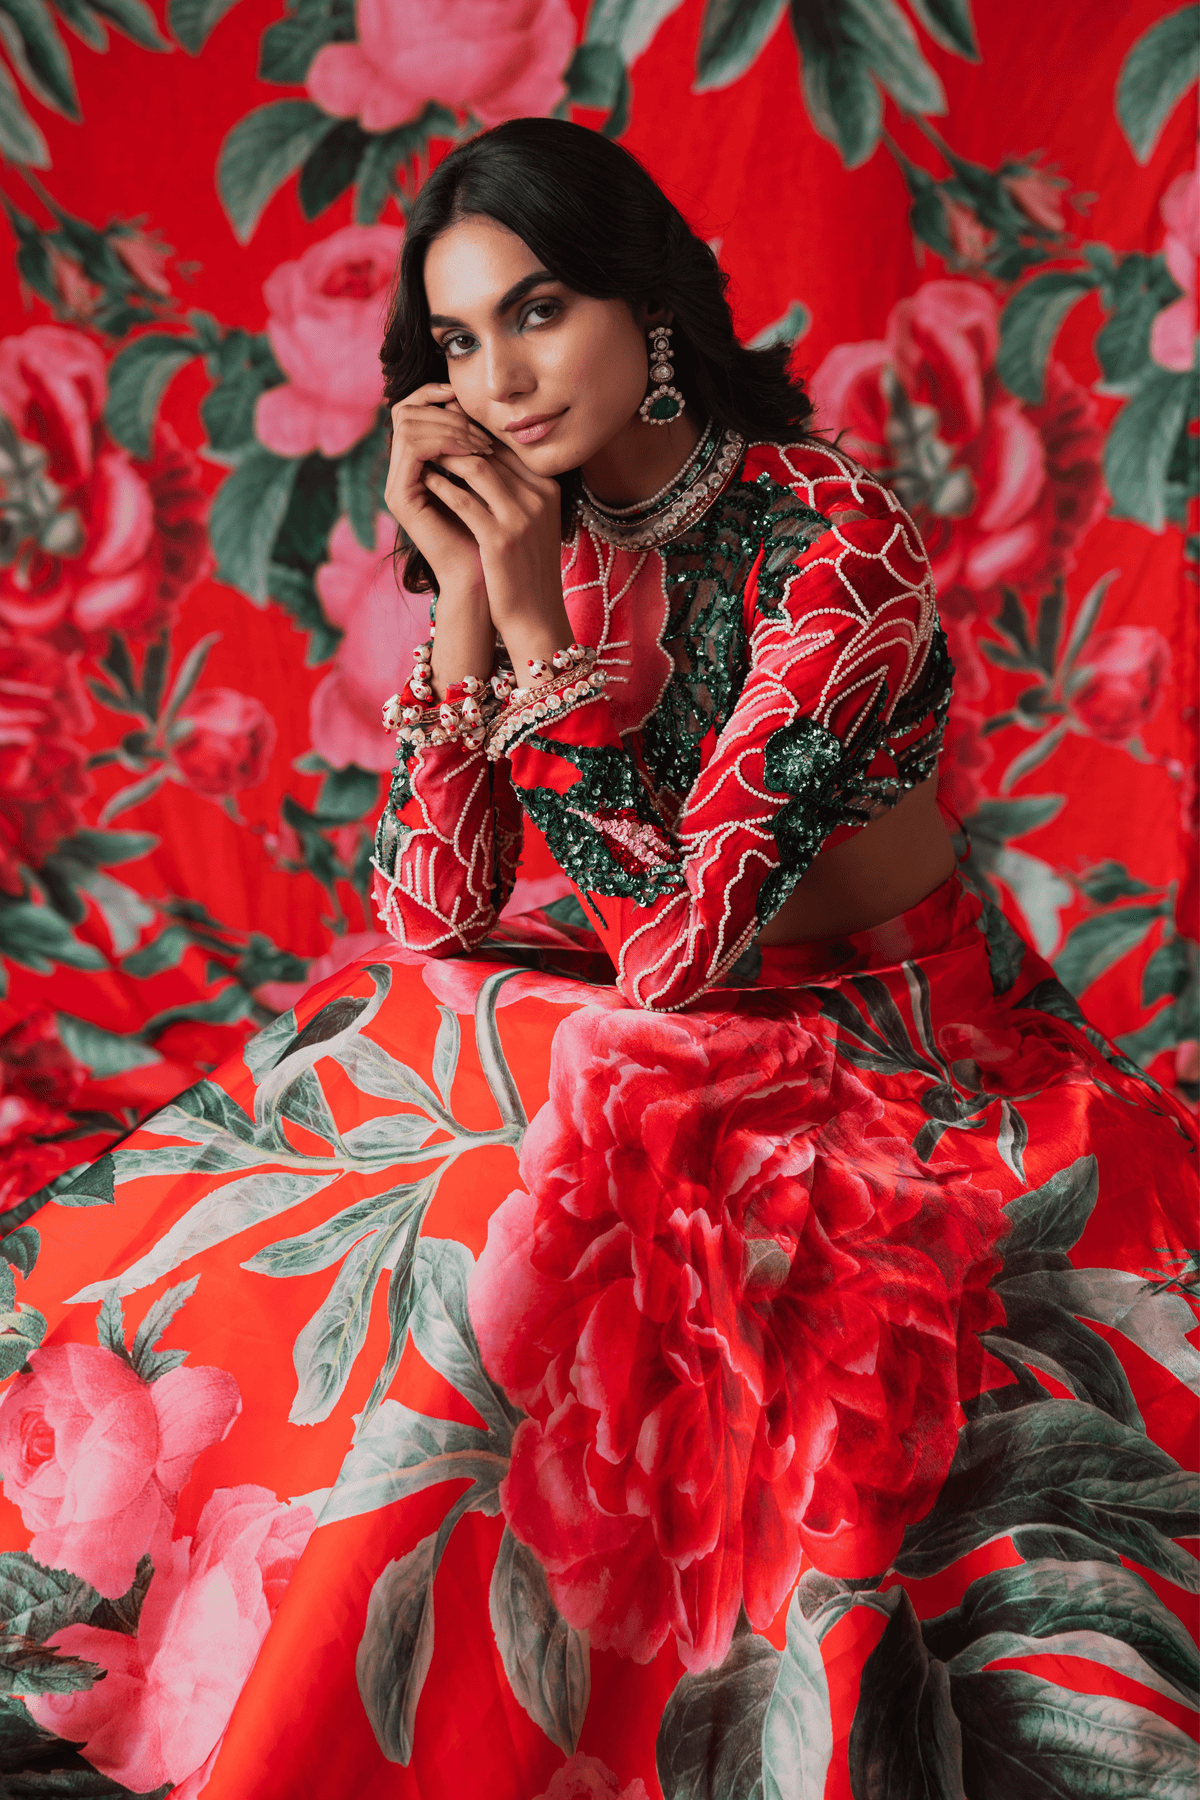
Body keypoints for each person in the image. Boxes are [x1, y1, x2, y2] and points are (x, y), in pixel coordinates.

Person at [0, 119, 1194, 1800]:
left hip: (910, 1042)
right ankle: (172, 1627)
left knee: (583, 1121)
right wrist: (476, 607)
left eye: (539, 310)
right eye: (460, 341)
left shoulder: (830, 539)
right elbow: (427, 910)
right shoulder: (534, 525)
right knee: (400, 1024)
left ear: (651, 308)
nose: (501, 374)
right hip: (670, 1016)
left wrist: (539, 627)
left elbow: (682, 945)